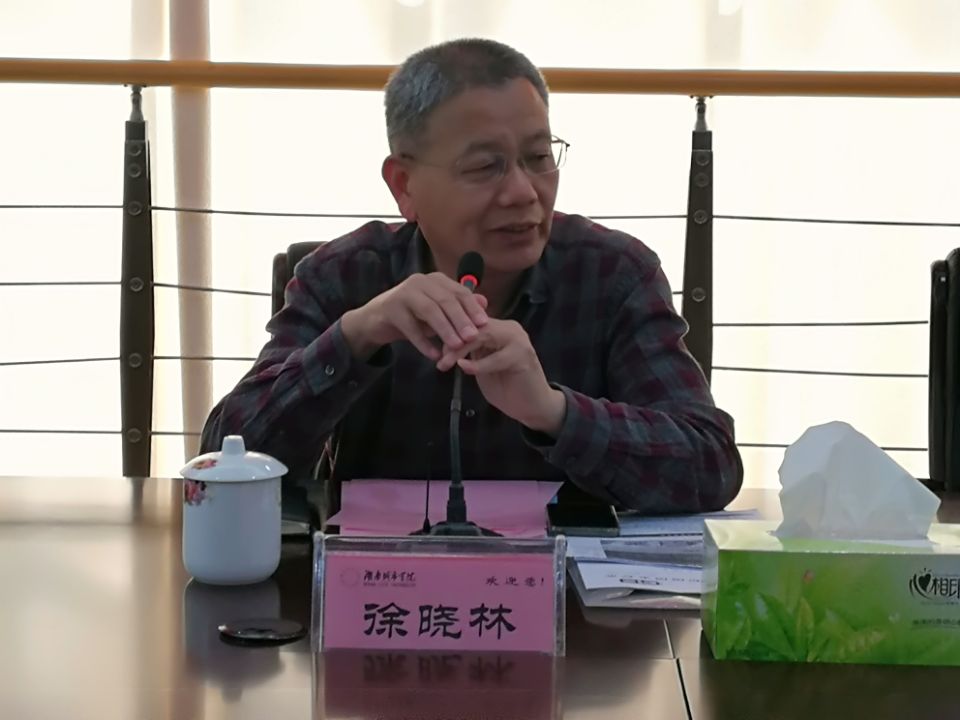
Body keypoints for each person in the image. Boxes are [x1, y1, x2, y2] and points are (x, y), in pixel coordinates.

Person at [200, 37, 743, 514]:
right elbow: (225, 457)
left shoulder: (613, 274)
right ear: (404, 185)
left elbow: (710, 465)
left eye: (538, 157)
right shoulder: (344, 277)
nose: (524, 193)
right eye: (485, 167)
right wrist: (357, 337)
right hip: (384, 587)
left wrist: (552, 412)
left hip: (563, 594)